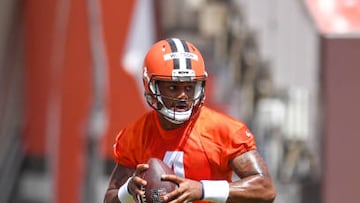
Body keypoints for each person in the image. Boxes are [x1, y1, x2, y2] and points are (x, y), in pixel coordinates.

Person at [103, 38, 276, 203]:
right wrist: (128, 190)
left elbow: (265, 188)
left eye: (189, 87)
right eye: (173, 87)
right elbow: (110, 198)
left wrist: (202, 190)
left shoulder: (223, 130)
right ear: (151, 86)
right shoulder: (136, 135)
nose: (183, 96)